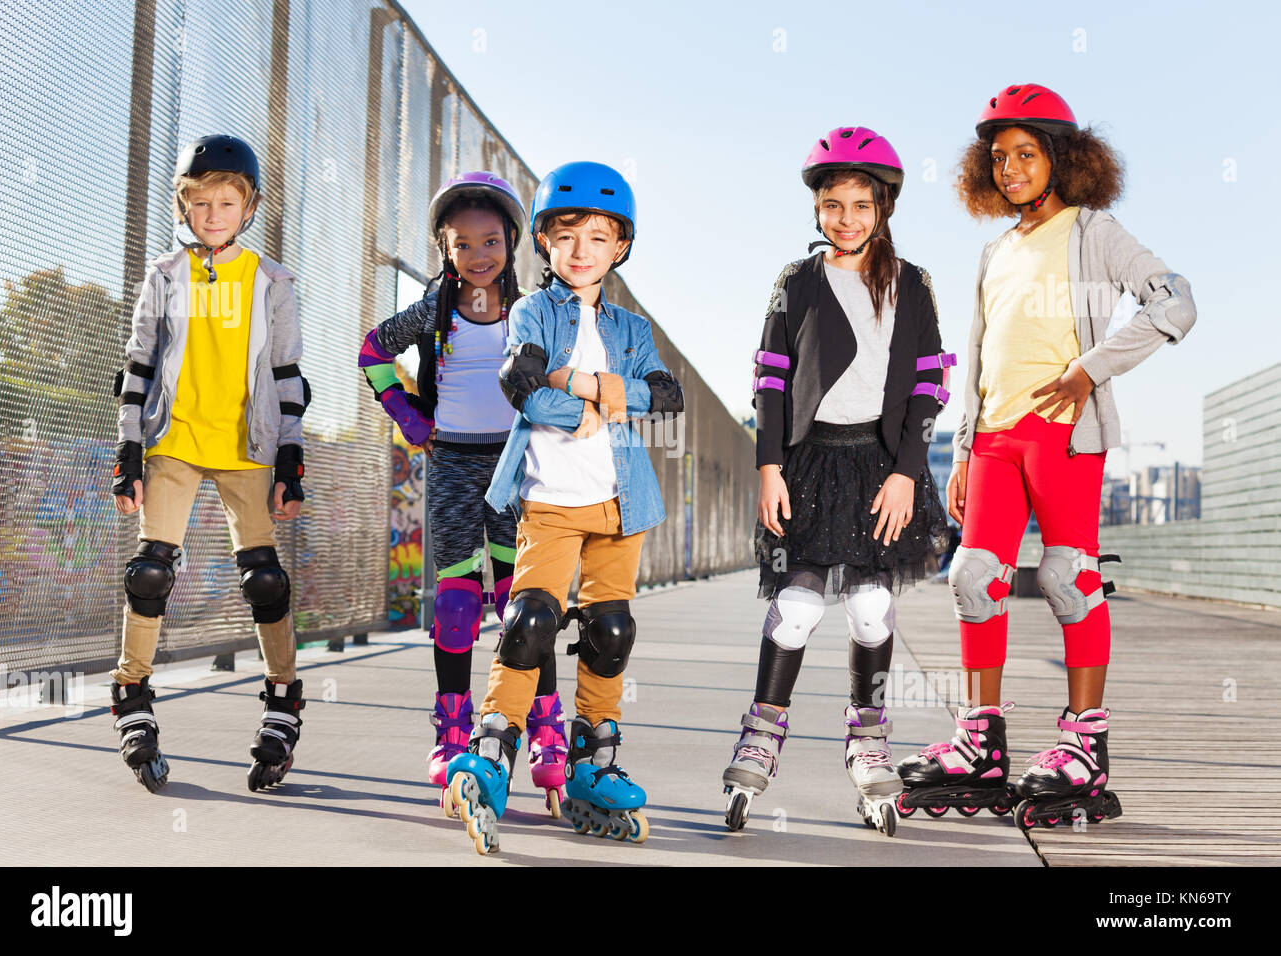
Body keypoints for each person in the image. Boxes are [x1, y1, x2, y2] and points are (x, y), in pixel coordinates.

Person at [896, 84, 1196, 830]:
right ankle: (981, 741)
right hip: (994, 437)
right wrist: (962, 451)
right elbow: (978, 358)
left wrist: (1092, 367)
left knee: (1069, 576)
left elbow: (1174, 299)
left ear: (1063, 159)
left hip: (1063, 431)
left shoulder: (1093, 231)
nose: (1011, 169)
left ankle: (1084, 745)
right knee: (972, 577)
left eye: (1026, 154)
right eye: (998, 158)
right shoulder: (994, 251)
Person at [444, 161, 684, 854]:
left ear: (621, 248)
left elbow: (663, 398)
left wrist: (580, 383)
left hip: (619, 503)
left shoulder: (633, 328)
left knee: (610, 631)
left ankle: (593, 765)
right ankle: (490, 755)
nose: (583, 250)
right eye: (568, 235)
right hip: (548, 500)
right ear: (545, 241)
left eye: (600, 237)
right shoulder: (531, 311)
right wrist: (597, 391)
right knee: (530, 621)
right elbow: (525, 389)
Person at [723, 128, 951, 837]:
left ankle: (869, 737)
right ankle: (762, 732)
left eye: (860, 203)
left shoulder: (912, 283)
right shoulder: (797, 280)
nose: (846, 217)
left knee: (872, 608)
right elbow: (770, 376)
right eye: (832, 204)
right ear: (816, 207)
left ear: (884, 206)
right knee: (796, 609)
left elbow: (927, 384)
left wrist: (909, 474)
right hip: (809, 464)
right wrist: (768, 464)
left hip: (882, 470)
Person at [358, 173, 567, 815]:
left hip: (513, 465)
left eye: (491, 241)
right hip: (449, 461)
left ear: (512, 242)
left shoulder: (533, 309)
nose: (479, 255)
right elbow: (372, 352)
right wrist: (408, 416)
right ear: (446, 252)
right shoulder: (434, 310)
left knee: (520, 605)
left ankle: (546, 724)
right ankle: (452, 731)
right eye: (463, 244)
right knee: (454, 605)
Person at [109, 134, 309, 793]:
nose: (213, 213)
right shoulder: (164, 276)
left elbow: (287, 376)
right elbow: (138, 365)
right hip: (175, 442)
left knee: (265, 582)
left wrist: (289, 458)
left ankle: (283, 698)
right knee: (150, 571)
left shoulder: (271, 280)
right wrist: (129, 447)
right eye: (200, 201)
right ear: (184, 206)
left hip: (245, 447)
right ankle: (132, 691)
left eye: (227, 201)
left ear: (248, 208)